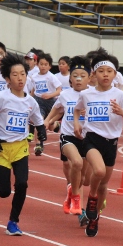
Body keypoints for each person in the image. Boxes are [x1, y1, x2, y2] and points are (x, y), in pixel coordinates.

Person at [0, 53, 47, 236]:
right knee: (3, 192)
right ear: (7, 79)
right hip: (1, 148)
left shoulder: (30, 101)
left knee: (23, 184)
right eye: (15, 75)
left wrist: (41, 132)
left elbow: (37, 120)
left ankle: (13, 221)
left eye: (23, 74)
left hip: (20, 147)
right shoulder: (0, 99)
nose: (20, 78)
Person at [74, 48, 123, 237]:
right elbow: (77, 110)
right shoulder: (87, 94)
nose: (105, 75)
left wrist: (122, 112)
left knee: (104, 185)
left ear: (115, 74)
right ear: (94, 74)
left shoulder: (120, 96)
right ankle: (91, 198)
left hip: (111, 142)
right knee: (98, 171)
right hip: (91, 138)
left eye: (109, 72)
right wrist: (77, 123)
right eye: (101, 71)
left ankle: (95, 219)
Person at [44, 56, 91, 224]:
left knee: (84, 179)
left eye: (82, 76)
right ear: (70, 78)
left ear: (89, 78)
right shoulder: (65, 95)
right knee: (76, 163)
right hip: (68, 136)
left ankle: (72, 190)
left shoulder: (93, 95)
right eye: (75, 76)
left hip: (87, 138)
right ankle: (80, 208)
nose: (78, 79)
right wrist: (47, 121)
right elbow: (57, 110)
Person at [30, 52, 62, 156]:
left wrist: (50, 95)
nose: (43, 66)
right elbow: (33, 90)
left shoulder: (52, 77)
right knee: (38, 121)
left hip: (51, 101)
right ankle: (39, 144)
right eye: (41, 64)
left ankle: (56, 124)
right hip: (39, 101)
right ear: (37, 64)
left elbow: (59, 90)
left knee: (50, 126)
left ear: (50, 66)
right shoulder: (34, 77)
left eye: (45, 64)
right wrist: (30, 100)